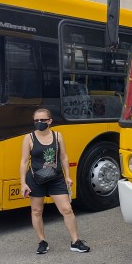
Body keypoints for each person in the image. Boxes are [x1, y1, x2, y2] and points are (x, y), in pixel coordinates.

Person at [20, 108, 90, 254]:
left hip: (56, 178)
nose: (39, 123)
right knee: (37, 211)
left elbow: (63, 157)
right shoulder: (29, 138)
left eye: (42, 120)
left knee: (67, 209)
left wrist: (68, 176)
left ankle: (75, 241)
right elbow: (24, 161)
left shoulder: (58, 136)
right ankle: (42, 241)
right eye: (36, 120)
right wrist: (23, 183)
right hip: (35, 179)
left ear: (50, 121)